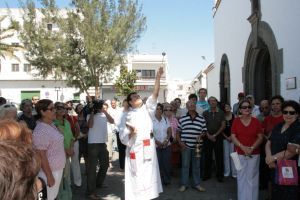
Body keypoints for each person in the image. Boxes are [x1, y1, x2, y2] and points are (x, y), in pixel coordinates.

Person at [119, 67, 163, 200]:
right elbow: (122, 135)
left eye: (138, 95)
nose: (138, 96)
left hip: (148, 146)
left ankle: (148, 197)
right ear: (131, 102)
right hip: (135, 148)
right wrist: (131, 132)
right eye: (134, 97)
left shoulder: (147, 108)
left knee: (149, 173)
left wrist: (158, 77)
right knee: (137, 174)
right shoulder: (126, 115)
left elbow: (155, 93)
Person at [265, 100, 300, 200]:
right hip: (274, 166)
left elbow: (291, 151)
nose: (288, 115)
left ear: (297, 114)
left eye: (292, 112)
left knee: (288, 195)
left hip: (290, 169)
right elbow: (268, 142)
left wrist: (273, 158)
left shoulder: (297, 128)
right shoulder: (279, 125)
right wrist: (268, 157)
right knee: (276, 193)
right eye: (285, 112)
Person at [32, 99, 66, 200]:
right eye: (51, 109)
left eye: (54, 108)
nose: (55, 110)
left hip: (56, 169)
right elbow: (41, 155)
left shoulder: (51, 125)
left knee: (53, 196)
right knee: (49, 197)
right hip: (49, 172)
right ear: (42, 112)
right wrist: (49, 176)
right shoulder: (41, 130)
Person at [231, 99, 263, 200]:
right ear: (240, 109)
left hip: (254, 153)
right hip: (239, 153)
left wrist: (252, 148)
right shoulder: (236, 121)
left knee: (252, 177)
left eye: (249, 107)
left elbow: (260, 137)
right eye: (244, 107)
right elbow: (233, 136)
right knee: (241, 177)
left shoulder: (256, 121)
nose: (247, 109)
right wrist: (242, 147)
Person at [86, 99, 114, 200]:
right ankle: (90, 192)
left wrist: (105, 111)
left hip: (102, 144)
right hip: (92, 144)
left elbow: (112, 121)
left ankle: (98, 183)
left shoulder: (104, 115)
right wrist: (92, 112)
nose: (101, 107)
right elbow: (90, 125)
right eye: (100, 106)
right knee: (92, 169)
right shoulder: (89, 116)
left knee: (105, 164)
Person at [177, 100, 207, 192]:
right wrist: (180, 142)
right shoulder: (182, 118)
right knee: (185, 165)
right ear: (187, 106)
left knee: (196, 165)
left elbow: (204, 131)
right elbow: (178, 132)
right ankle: (184, 184)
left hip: (197, 146)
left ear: (195, 106)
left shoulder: (201, 119)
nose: (191, 106)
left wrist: (201, 135)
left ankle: (196, 184)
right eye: (189, 104)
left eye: (193, 104)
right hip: (185, 145)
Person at [53, 102, 74, 200]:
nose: (62, 110)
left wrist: (71, 148)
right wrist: (66, 150)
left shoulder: (67, 122)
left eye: (64, 108)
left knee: (66, 177)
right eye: (59, 108)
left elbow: (71, 138)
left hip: (67, 153)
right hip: (58, 155)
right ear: (54, 110)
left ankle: (66, 196)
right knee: (59, 179)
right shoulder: (52, 124)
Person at [202, 96, 225, 182]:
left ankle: (220, 175)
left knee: (219, 156)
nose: (213, 102)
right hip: (207, 137)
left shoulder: (221, 113)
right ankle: (207, 174)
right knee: (207, 156)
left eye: (214, 101)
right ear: (208, 103)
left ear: (216, 102)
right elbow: (203, 125)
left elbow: (223, 125)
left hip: (218, 137)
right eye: (211, 101)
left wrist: (215, 135)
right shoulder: (205, 113)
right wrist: (208, 135)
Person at [153, 103, 172, 185]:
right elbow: (150, 133)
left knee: (166, 164)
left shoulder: (165, 119)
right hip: (156, 146)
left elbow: (169, 131)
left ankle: (167, 180)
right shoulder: (151, 120)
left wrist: (166, 140)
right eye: (157, 109)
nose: (159, 110)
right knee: (157, 164)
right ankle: (157, 182)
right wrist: (157, 142)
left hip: (166, 145)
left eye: (160, 109)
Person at [164, 102, 180, 169]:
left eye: (170, 110)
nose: (168, 111)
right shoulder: (162, 120)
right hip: (165, 141)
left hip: (174, 140)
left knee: (174, 157)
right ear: (163, 111)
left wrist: (176, 138)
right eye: (166, 110)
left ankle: (172, 171)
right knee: (166, 158)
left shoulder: (175, 119)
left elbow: (177, 130)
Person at [222, 103, 237, 178]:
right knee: (226, 155)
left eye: (228, 106)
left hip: (233, 138)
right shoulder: (222, 116)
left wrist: (231, 136)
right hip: (225, 138)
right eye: (225, 107)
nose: (227, 108)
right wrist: (226, 137)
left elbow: (236, 128)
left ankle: (235, 173)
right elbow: (221, 128)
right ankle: (227, 172)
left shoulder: (235, 116)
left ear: (231, 107)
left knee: (234, 155)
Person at [75, 103, 89, 173]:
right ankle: (77, 172)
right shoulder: (75, 118)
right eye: (79, 108)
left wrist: (87, 134)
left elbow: (90, 127)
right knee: (78, 157)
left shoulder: (87, 117)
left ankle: (87, 171)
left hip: (86, 139)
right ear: (76, 110)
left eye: (82, 108)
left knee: (87, 157)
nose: (81, 109)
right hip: (78, 139)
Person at [115, 99, 128, 170]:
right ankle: (122, 166)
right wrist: (120, 130)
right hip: (120, 132)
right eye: (125, 103)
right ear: (123, 103)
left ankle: (128, 165)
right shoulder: (119, 111)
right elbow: (116, 122)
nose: (126, 104)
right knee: (121, 150)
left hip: (129, 133)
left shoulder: (130, 111)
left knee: (128, 149)